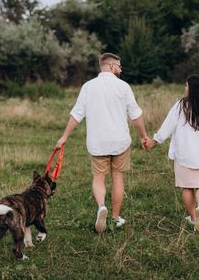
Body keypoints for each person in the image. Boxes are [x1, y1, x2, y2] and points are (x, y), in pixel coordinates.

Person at [56, 53, 149, 233]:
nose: (121, 70)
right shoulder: (123, 87)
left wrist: (64, 137)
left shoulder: (88, 87)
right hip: (120, 141)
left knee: (99, 178)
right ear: (112, 66)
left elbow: (76, 115)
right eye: (119, 66)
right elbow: (136, 116)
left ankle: (101, 207)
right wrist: (144, 136)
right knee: (117, 177)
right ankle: (114, 217)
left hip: (98, 142)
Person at [143, 74, 199, 232]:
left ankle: (193, 217)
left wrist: (153, 141)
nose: (185, 88)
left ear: (192, 88)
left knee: (187, 188)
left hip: (185, 155)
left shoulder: (181, 106)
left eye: (186, 85)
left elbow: (166, 127)